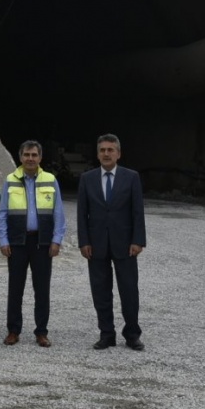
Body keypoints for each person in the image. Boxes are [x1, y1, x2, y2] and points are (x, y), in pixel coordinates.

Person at [76, 133, 146, 351]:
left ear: (118, 153)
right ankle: (107, 334)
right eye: (102, 150)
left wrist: (138, 240)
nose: (106, 154)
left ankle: (132, 334)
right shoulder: (87, 179)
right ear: (97, 154)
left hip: (125, 245)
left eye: (110, 150)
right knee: (100, 291)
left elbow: (137, 211)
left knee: (129, 290)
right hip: (95, 245)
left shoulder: (131, 177)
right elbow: (82, 214)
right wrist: (83, 241)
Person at [0, 140, 66, 348]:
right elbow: (2, 214)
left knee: (42, 289)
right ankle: (13, 331)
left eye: (34, 155)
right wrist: (3, 239)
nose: (30, 159)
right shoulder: (10, 180)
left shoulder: (50, 180)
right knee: (15, 288)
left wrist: (56, 240)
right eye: (26, 155)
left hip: (42, 243)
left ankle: (41, 332)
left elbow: (59, 214)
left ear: (40, 158)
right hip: (17, 242)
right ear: (20, 157)